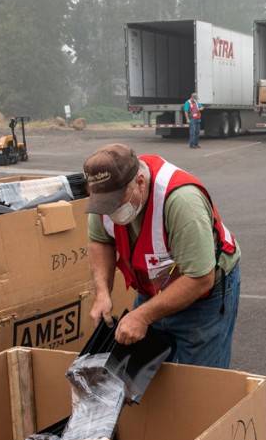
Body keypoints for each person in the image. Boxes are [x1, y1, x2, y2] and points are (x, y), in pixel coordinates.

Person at [84, 143, 240, 367]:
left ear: (139, 182)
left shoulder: (182, 201)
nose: (110, 211)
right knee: (145, 372)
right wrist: (102, 293)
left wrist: (143, 316)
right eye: (105, 205)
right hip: (155, 283)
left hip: (204, 291)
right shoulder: (105, 198)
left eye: (116, 203)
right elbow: (100, 241)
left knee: (200, 380)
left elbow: (200, 278)